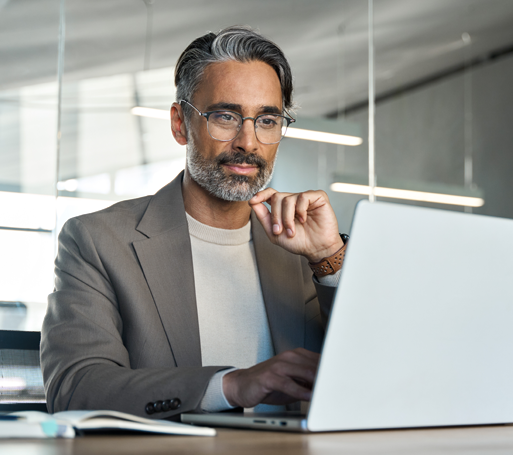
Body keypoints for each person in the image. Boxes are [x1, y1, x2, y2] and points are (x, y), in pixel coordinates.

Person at [40, 26, 347, 418]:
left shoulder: (304, 251)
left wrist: (328, 258)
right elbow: (75, 388)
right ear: (180, 124)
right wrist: (232, 385)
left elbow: (382, 370)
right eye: (225, 116)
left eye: (267, 121)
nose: (248, 142)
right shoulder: (98, 241)